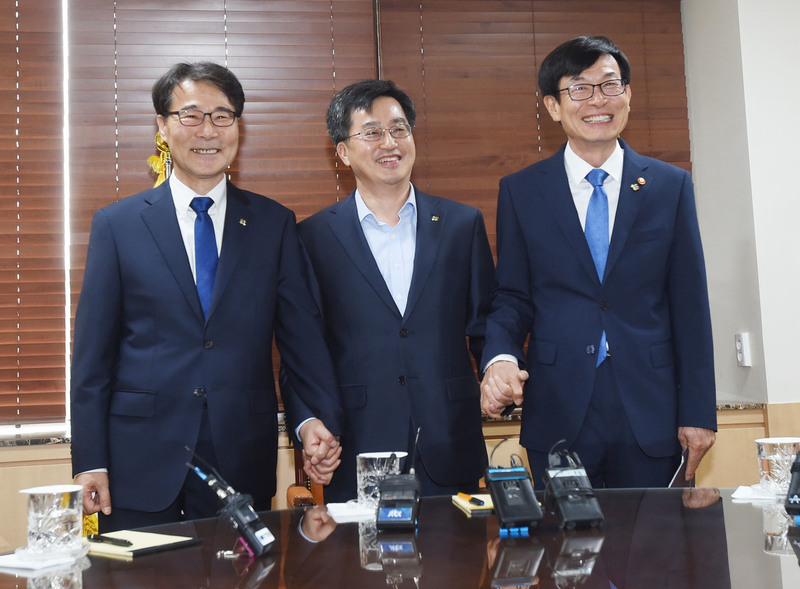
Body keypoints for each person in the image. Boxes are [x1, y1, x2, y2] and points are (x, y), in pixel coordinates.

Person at [70, 61, 343, 531]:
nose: (208, 131)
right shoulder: (117, 226)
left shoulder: (272, 224)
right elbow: (92, 358)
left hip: (240, 458)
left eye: (222, 116)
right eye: (191, 115)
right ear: (162, 125)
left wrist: (312, 420)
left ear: (238, 126)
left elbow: (302, 342)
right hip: (137, 458)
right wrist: (90, 459)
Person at [480, 36, 716, 489]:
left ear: (628, 95)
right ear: (553, 106)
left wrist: (699, 412)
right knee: (568, 555)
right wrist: (500, 359)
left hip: (653, 408)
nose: (598, 101)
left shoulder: (670, 186)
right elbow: (512, 295)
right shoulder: (522, 191)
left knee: (655, 554)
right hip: (558, 408)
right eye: (580, 89)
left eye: (610, 85)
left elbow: (690, 305)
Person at [282, 79, 495, 500]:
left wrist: (498, 371)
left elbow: (488, 325)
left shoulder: (461, 225)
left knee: (458, 565)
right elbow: (301, 350)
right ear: (342, 152)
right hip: (359, 445)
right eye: (372, 132)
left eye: (399, 129)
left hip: (449, 441)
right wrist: (308, 422)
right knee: (366, 567)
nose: (390, 142)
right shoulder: (311, 239)